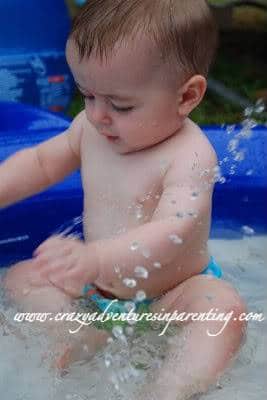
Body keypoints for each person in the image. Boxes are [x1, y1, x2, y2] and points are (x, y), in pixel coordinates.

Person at [1, 0, 247, 398]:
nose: (98, 115)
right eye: (87, 95)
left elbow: (173, 230)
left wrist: (96, 258)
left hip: (173, 294)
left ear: (187, 96)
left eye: (120, 104)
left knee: (223, 310)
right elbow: (41, 162)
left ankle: (171, 387)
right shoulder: (91, 129)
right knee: (23, 277)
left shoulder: (190, 155)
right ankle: (77, 335)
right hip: (95, 290)